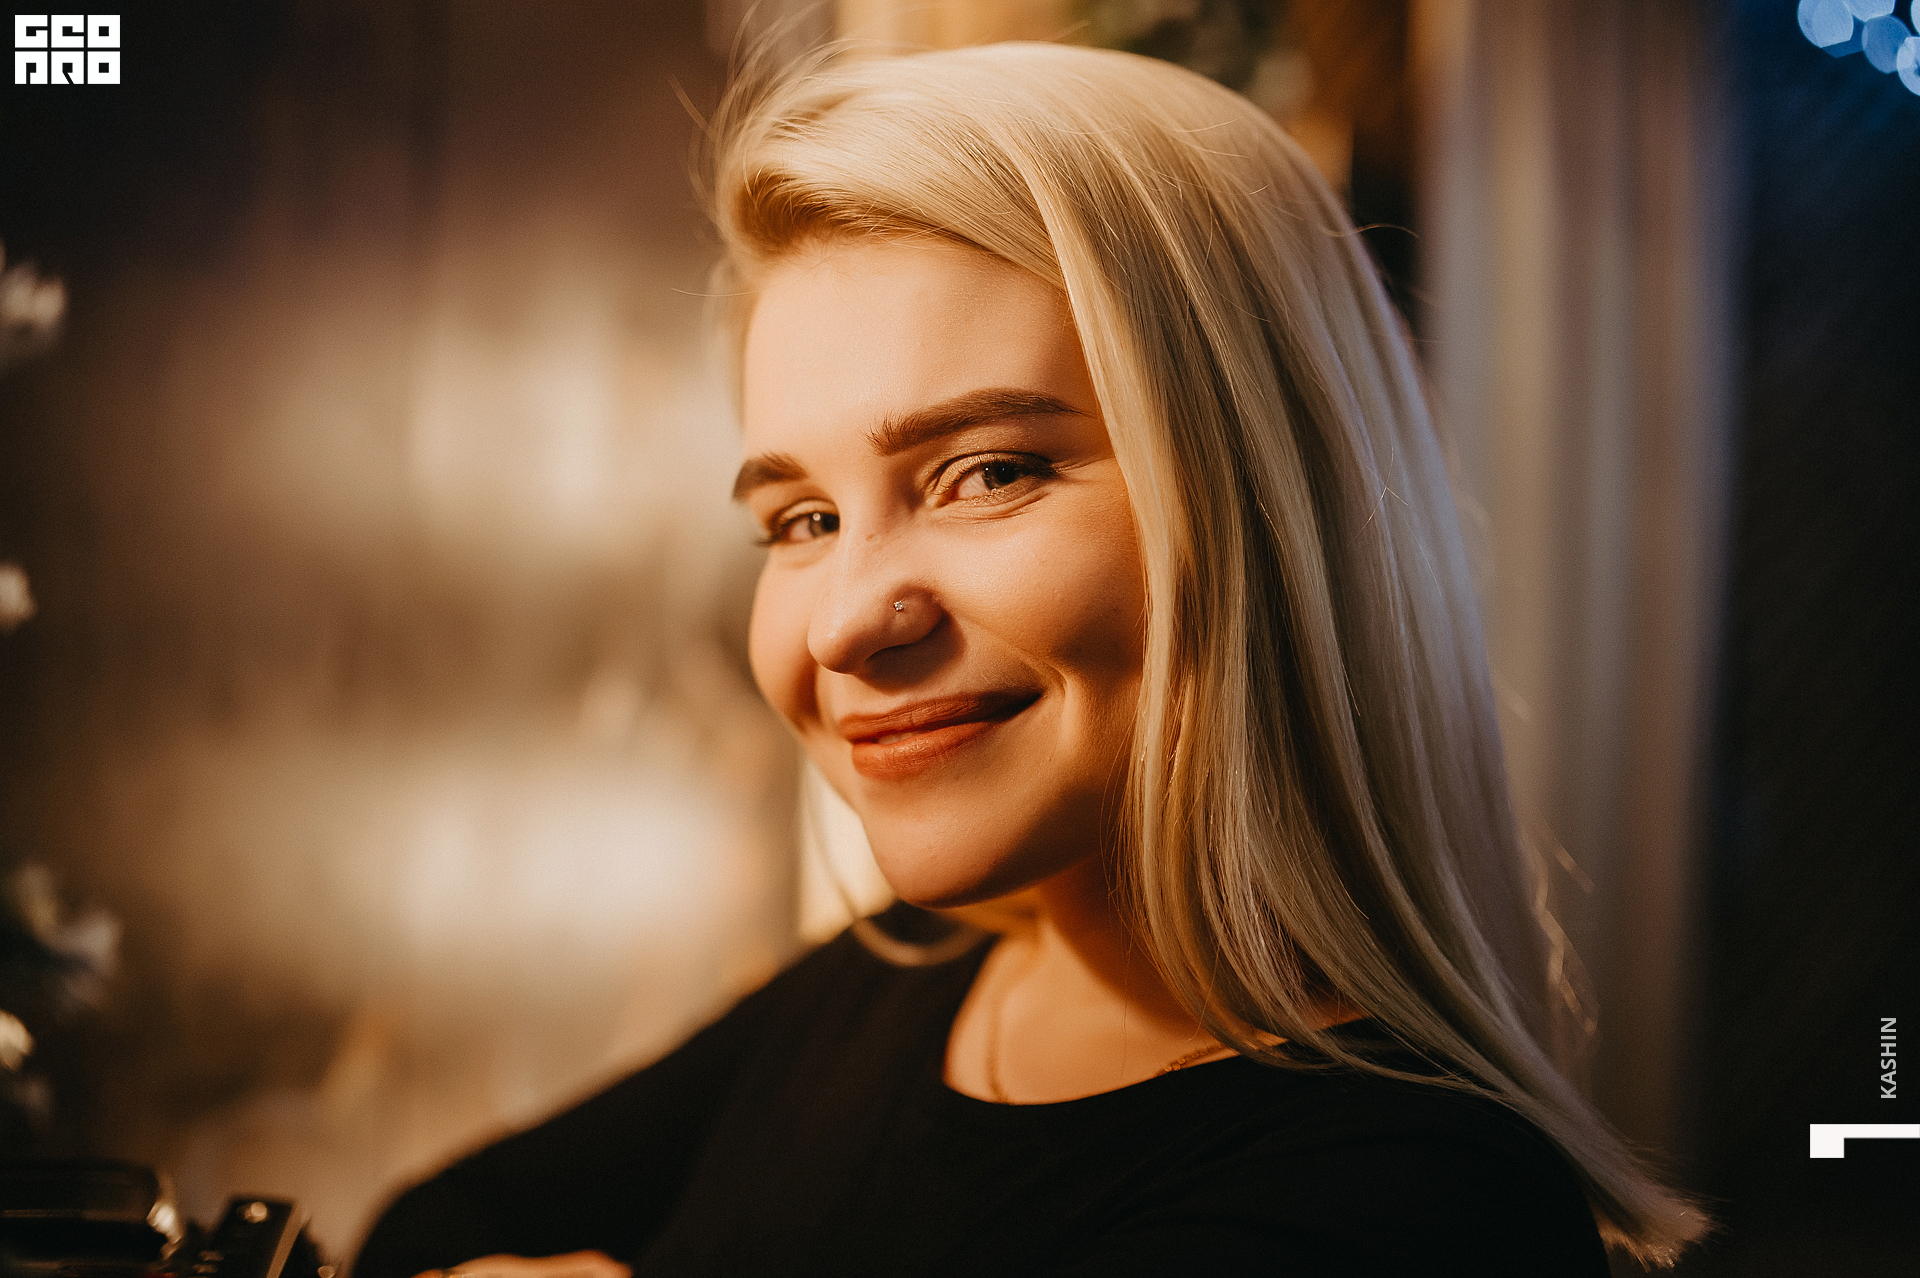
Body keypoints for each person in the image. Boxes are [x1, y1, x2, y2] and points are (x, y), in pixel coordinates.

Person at [354, 42, 1705, 1276]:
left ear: (1267, 511)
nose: (842, 624)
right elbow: (434, 1224)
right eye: (803, 520)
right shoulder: (909, 972)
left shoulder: (1413, 1204)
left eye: (988, 472)